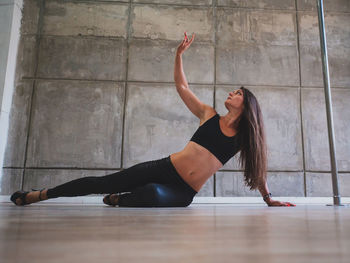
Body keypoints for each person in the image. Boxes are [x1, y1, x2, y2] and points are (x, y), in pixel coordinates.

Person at [10, 32, 295, 208]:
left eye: (237, 93)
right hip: (164, 168)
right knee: (104, 181)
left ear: (246, 105)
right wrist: (178, 55)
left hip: (183, 192)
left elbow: (258, 169)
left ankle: (120, 200)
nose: (231, 93)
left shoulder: (243, 138)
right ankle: (40, 195)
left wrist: (268, 198)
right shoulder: (208, 115)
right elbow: (183, 88)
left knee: (152, 195)